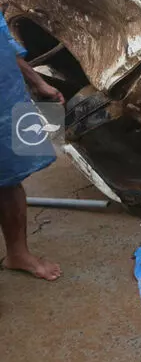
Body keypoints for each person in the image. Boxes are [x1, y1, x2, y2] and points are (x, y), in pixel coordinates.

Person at [0, 14, 63, 280]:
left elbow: (6, 47)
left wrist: (39, 83)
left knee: (9, 180)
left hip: (4, 101)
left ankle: (18, 254)